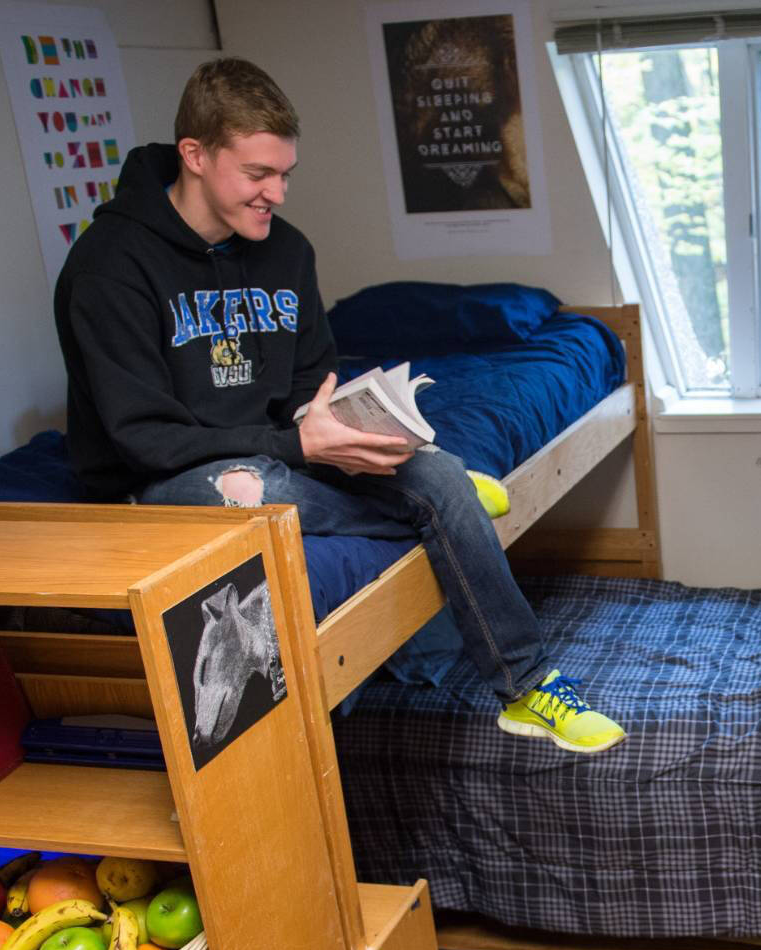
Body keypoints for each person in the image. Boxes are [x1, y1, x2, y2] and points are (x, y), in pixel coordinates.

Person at [53, 58, 623, 754]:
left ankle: (527, 685)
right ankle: (449, 519)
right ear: (194, 156)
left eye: (285, 174)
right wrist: (299, 447)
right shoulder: (109, 265)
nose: (278, 193)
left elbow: (305, 383)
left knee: (437, 471)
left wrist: (340, 420)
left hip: (281, 447)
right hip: (168, 477)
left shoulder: (285, 253)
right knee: (247, 489)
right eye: (259, 174)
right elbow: (141, 437)